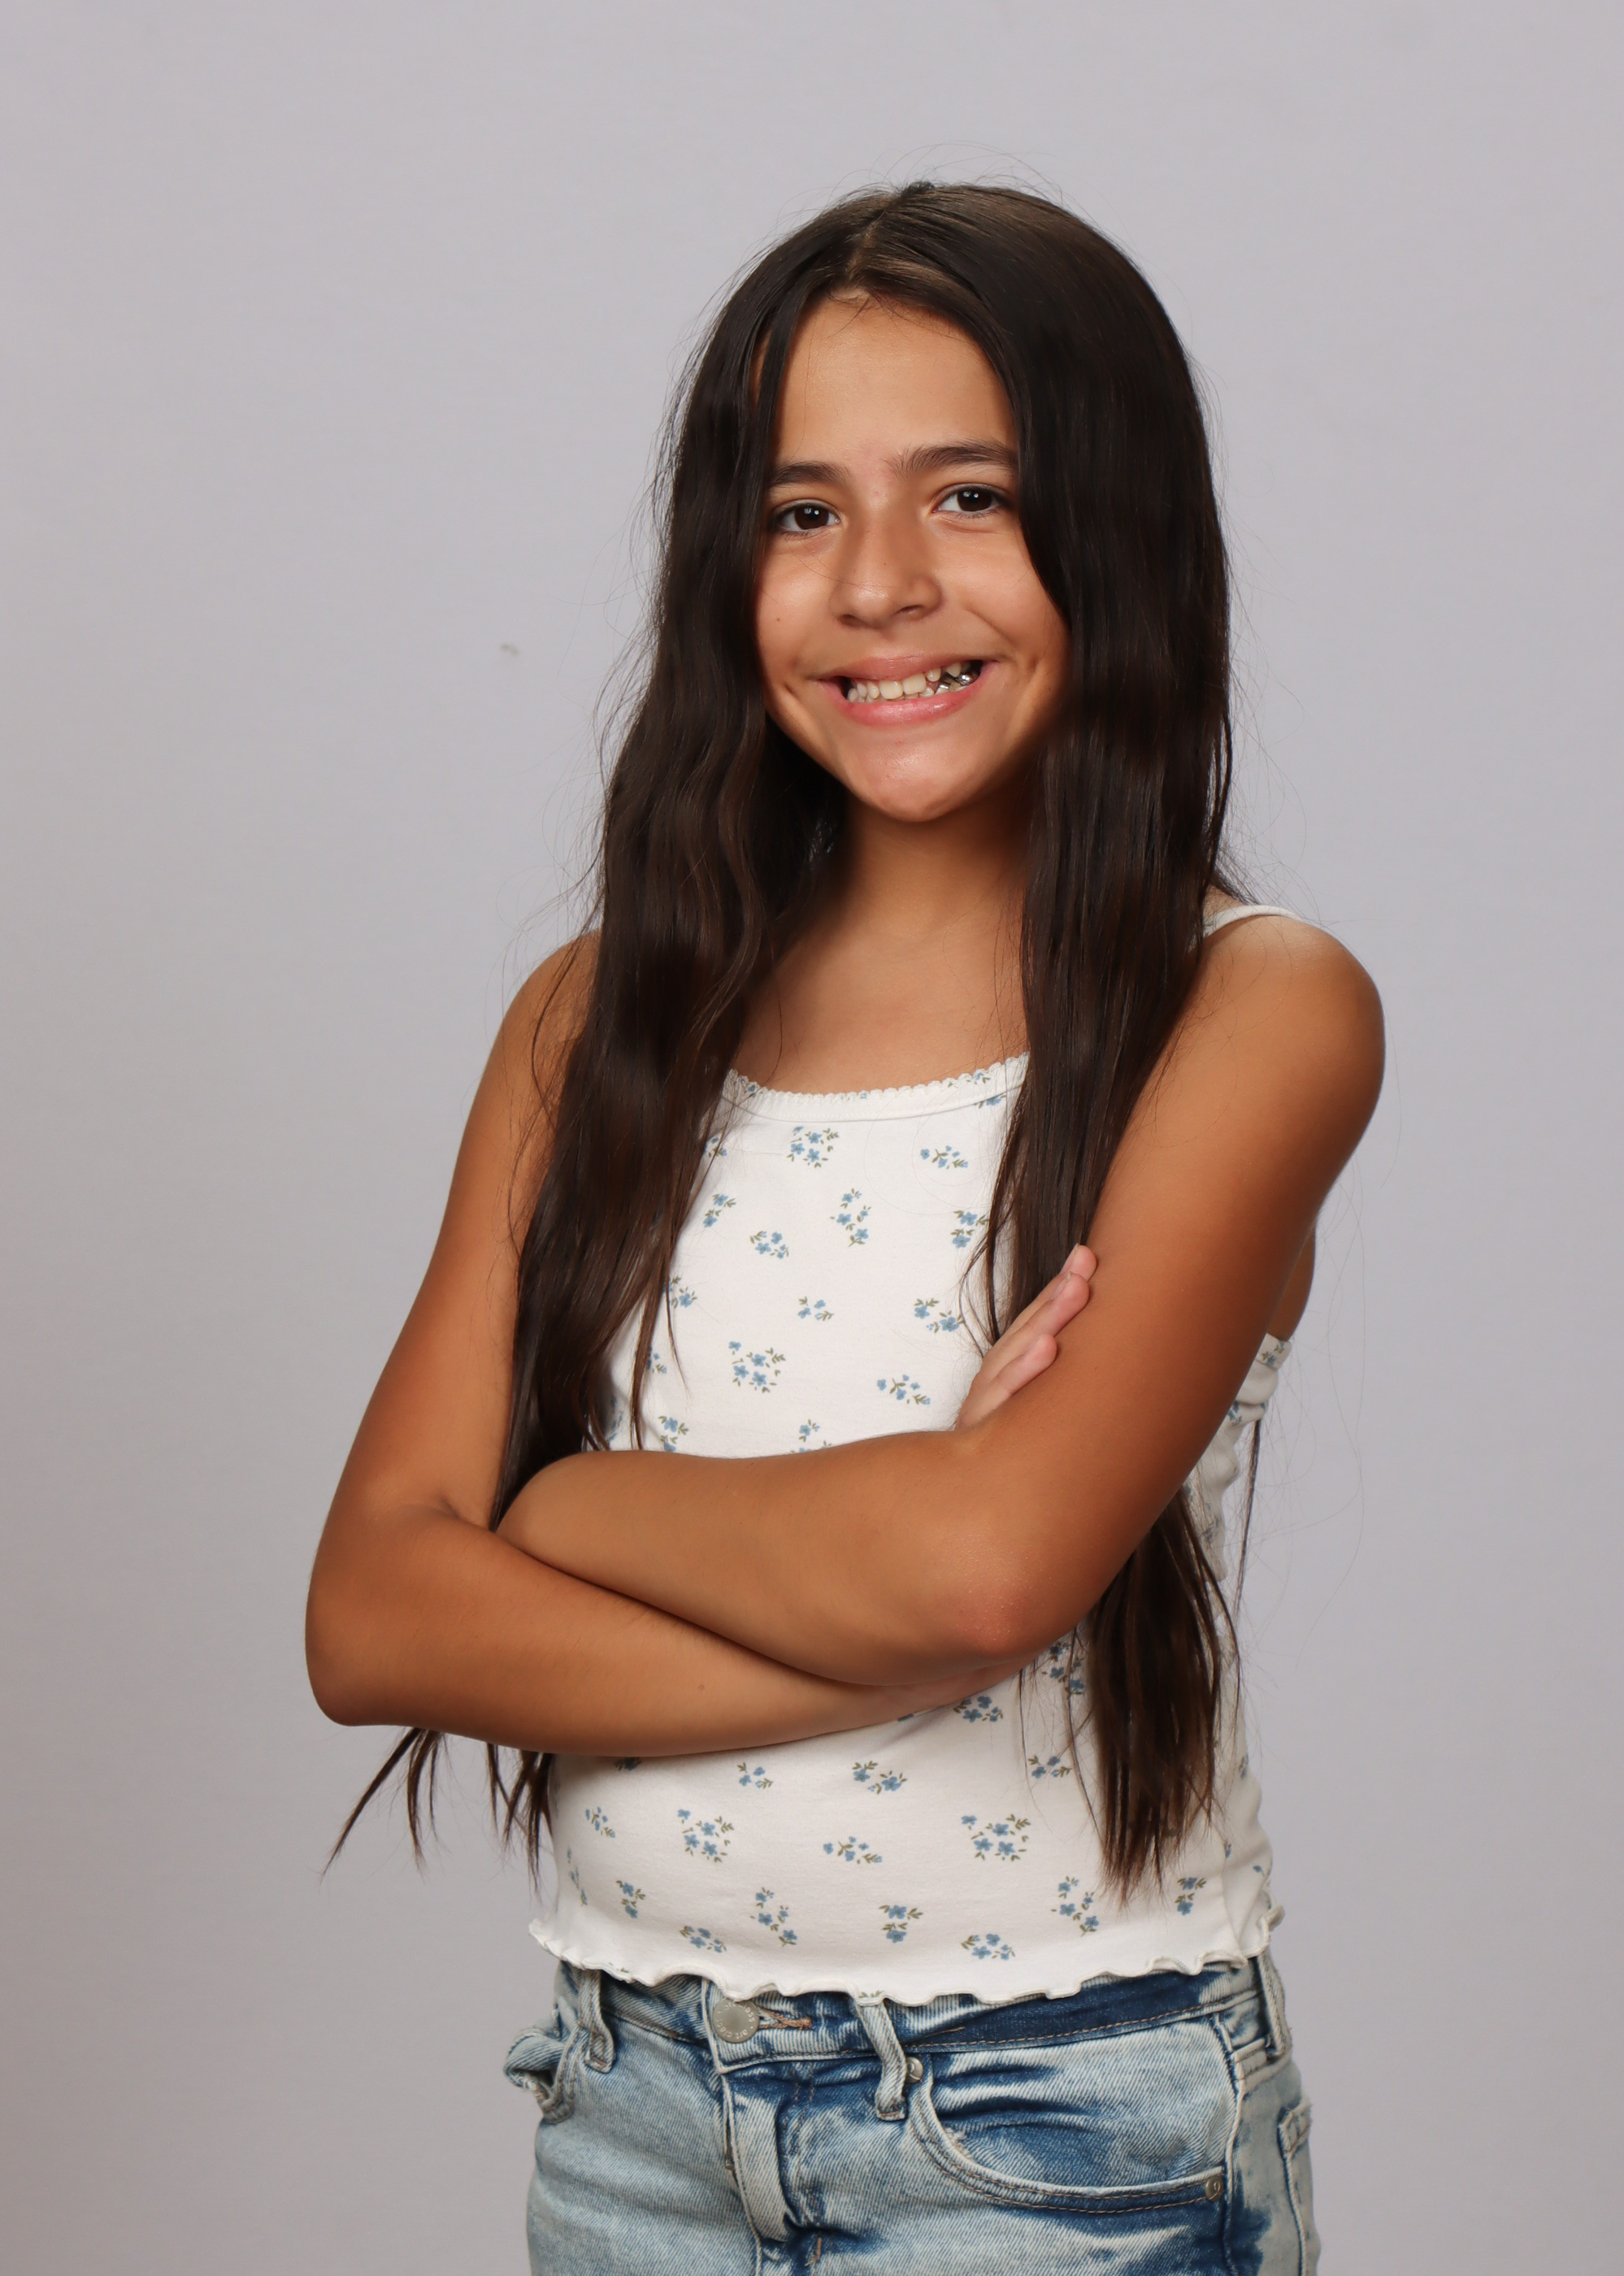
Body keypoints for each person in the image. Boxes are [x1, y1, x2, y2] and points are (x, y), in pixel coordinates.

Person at [306, 182, 1383, 2274]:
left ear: (1121, 537)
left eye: (969, 494)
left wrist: (566, 1504)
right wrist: (884, 1599)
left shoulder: (1245, 1008)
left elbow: (985, 1568)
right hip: (630, 2106)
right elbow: (370, 1614)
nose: (879, 582)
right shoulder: (595, 1021)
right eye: (801, 512)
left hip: (1052, 2119)